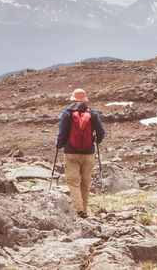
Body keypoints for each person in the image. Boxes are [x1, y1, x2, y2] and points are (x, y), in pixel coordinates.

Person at [56, 88, 106, 218]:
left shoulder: (67, 113)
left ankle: (79, 211)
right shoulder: (93, 114)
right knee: (85, 183)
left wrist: (59, 145)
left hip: (71, 153)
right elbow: (101, 132)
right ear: (85, 100)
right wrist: (97, 141)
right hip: (88, 153)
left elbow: (62, 133)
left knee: (73, 183)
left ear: (73, 99)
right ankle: (84, 210)